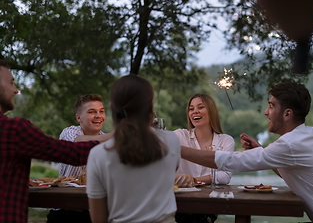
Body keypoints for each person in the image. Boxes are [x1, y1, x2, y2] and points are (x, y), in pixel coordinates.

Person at [181, 82, 313, 223]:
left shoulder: (291, 143)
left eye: (272, 106)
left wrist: (178, 150)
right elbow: (288, 171)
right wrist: (260, 150)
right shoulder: (312, 135)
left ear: (287, 114)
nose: (266, 112)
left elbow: (233, 161)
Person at [0, 59, 110, 223]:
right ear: (78, 118)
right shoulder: (15, 129)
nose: (16, 90)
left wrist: (16, 177)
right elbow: (74, 152)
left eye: (101, 111)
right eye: (11, 83)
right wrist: (123, 134)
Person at [86, 74, 180, 223]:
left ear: (112, 108)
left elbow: (98, 219)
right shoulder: (171, 141)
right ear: (150, 106)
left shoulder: (98, 155)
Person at [174, 93, 235, 223]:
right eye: (191, 109)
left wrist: (192, 181)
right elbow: (158, 146)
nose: (195, 111)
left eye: (200, 107)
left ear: (211, 111)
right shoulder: (179, 136)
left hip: (208, 205)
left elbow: (225, 176)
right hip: (179, 205)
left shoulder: (225, 140)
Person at [46, 94, 106, 223]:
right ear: (79, 118)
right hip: (65, 208)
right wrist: (117, 135)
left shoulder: (107, 137)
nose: (98, 116)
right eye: (91, 112)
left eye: (101, 111)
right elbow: (78, 143)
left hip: (93, 209)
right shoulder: (70, 132)